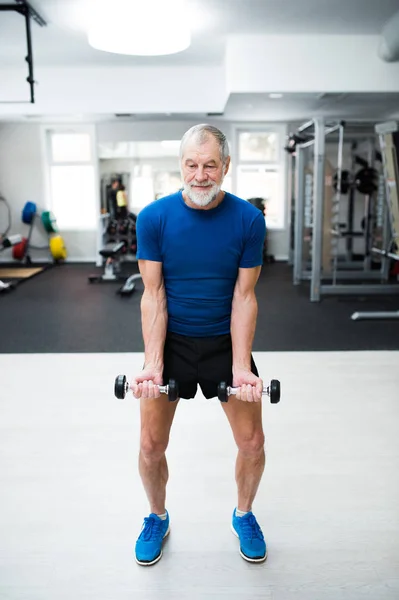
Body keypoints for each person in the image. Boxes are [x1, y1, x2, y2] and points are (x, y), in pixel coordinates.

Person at [131, 124, 267, 566]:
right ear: (181, 166)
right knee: (151, 445)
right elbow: (154, 296)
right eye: (192, 164)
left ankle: (243, 514)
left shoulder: (248, 219)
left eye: (210, 165)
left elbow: (244, 297)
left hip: (223, 344)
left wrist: (241, 366)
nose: (201, 174)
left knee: (252, 443)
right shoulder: (154, 218)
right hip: (172, 343)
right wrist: (153, 363)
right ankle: (156, 517)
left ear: (226, 166)